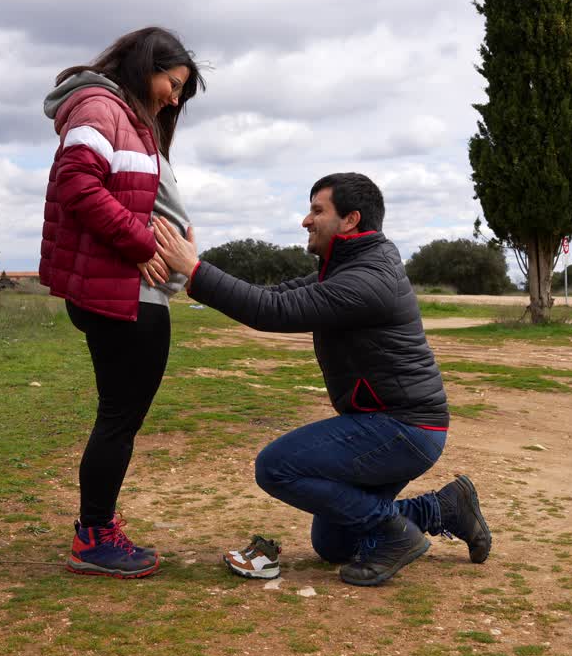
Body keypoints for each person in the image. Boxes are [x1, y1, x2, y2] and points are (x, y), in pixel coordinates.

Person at [154, 172, 491, 586]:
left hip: (403, 428)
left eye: (317, 210)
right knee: (333, 543)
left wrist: (196, 269)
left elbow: (270, 314)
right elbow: (276, 297)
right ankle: (443, 509)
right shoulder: (349, 268)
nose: (306, 221)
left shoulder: (365, 280)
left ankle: (394, 534)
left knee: (276, 467)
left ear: (350, 220)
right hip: (393, 424)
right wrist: (196, 275)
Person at [39, 27, 204, 579]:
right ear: (144, 65)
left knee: (119, 418)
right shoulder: (98, 106)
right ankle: (94, 537)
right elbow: (78, 184)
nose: (174, 98)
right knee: (118, 420)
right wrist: (139, 244)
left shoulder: (122, 114)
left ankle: (97, 526)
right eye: (172, 83)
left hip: (131, 290)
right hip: (124, 294)